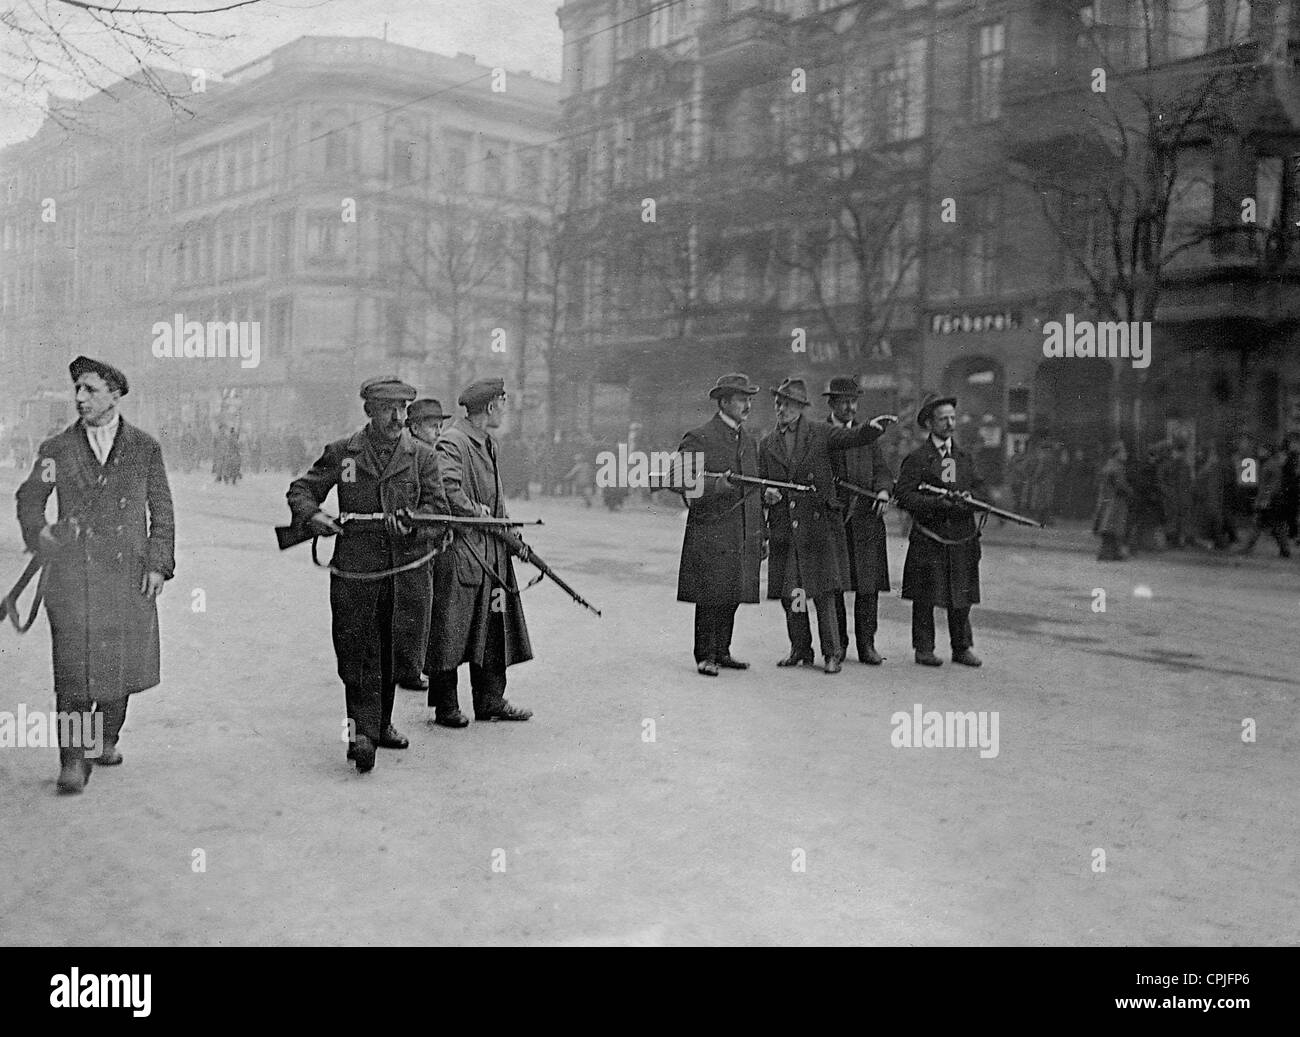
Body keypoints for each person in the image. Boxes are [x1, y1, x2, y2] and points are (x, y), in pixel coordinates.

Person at [15, 357, 175, 794]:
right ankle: (73, 760)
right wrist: (40, 532)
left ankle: (105, 738)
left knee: (117, 665)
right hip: (71, 574)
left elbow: (161, 509)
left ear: (114, 394)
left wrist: (159, 565)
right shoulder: (57, 449)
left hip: (127, 574)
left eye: (89, 389)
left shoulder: (144, 447)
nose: (80, 398)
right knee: (72, 668)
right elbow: (30, 499)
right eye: (77, 390)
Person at [286, 376, 449, 773]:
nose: (396, 417)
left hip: (402, 568)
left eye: (402, 410)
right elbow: (301, 490)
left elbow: (439, 513)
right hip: (354, 567)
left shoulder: (422, 457)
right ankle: (361, 732)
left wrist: (413, 526)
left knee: (394, 650)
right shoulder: (345, 453)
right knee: (356, 649)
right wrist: (314, 516)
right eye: (386, 409)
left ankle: (382, 723)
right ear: (368, 411)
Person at [757, 378, 896, 675]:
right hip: (786, 526)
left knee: (824, 592)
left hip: (817, 524)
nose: (781, 409)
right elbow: (761, 483)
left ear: (800, 408)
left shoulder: (819, 433)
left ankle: (832, 652)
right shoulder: (767, 444)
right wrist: (765, 496)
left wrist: (873, 428)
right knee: (791, 593)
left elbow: (853, 437)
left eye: (787, 404)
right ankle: (800, 648)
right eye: (778, 403)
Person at [426, 378, 534, 726]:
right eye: (504, 402)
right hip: (462, 550)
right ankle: (446, 706)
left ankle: (490, 700)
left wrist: (510, 530)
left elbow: (495, 497)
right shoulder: (454, 442)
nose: (505, 409)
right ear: (490, 407)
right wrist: (478, 514)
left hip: (491, 550)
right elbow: (446, 489)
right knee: (451, 627)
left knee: (493, 627)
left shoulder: (487, 443)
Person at [676, 373, 765, 677]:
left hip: (741, 531)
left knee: (733, 592)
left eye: (749, 399)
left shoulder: (749, 442)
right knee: (710, 593)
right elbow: (679, 479)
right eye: (742, 399)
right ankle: (705, 654)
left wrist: (761, 531)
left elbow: (754, 491)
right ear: (724, 401)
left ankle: (722, 651)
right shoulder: (700, 436)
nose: (748, 405)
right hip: (711, 531)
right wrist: (717, 484)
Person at [895, 392, 985, 668]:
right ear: (929, 423)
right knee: (925, 596)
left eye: (952, 418)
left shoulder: (964, 457)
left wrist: (971, 497)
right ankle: (924, 648)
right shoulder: (917, 458)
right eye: (943, 419)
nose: (949, 424)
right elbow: (905, 497)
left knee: (961, 595)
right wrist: (936, 502)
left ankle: (962, 647)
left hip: (961, 536)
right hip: (929, 536)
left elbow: (982, 490)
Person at [823, 376, 893, 666]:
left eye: (854, 402)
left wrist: (883, 490)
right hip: (835, 520)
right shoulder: (821, 434)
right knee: (835, 585)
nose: (851, 408)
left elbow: (882, 470)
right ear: (832, 404)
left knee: (868, 586)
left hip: (866, 521)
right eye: (845, 403)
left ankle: (867, 645)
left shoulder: (869, 436)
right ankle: (838, 646)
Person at [404, 398, 451, 694]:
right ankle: (408, 670)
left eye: (440, 426)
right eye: (433, 426)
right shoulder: (413, 453)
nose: (438, 431)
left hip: (422, 539)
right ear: (416, 427)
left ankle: (411, 666)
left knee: (420, 607)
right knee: (416, 608)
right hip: (411, 543)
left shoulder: (428, 453)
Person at [1238, 443, 1292, 558]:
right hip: (1272, 499)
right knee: (1275, 525)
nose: (1259, 452)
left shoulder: (1269, 465)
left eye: (1262, 450)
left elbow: (1270, 486)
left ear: (1267, 451)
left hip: (1269, 500)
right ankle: (1285, 550)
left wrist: (1263, 499)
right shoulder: (1271, 464)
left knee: (1260, 524)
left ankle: (1247, 547)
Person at [1093, 440, 1132, 560]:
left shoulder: (1108, 465)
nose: (1126, 454)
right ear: (1117, 453)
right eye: (1123, 451)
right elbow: (1121, 485)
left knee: (1109, 529)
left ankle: (1112, 553)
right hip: (1116, 503)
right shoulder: (1117, 467)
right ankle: (1109, 553)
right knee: (1113, 529)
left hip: (1107, 501)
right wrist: (1131, 492)